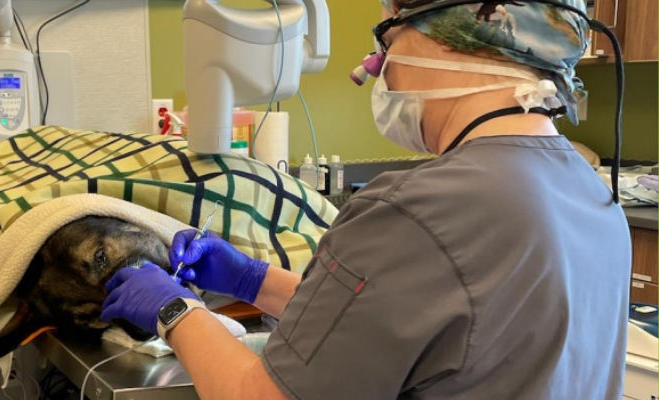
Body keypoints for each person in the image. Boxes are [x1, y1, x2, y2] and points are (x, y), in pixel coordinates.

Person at [101, 1, 631, 399]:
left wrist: (175, 310)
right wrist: (249, 279)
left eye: (389, 38)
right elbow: (397, 320)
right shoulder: (590, 189)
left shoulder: (420, 209)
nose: (379, 67)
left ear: (453, 35)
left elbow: (261, 396)